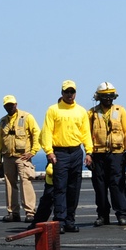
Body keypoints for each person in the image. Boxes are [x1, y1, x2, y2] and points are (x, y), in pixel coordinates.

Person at [39, 80, 94, 233]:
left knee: (73, 188)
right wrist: (49, 152)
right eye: (67, 92)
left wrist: (88, 151)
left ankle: (70, 220)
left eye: (72, 92)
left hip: (76, 152)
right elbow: (47, 132)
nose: (70, 95)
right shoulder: (53, 110)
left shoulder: (81, 111)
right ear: (62, 93)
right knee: (60, 188)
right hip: (59, 153)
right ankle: (60, 221)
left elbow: (85, 133)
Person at [88, 82, 126, 226]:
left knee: (117, 184)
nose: (108, 99)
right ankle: (102, 215)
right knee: (99, 186)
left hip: (116, 154)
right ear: (99, 97)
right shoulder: (92, 113)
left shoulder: (120, 111)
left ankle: (122, 214)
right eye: (105, 96)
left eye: (110, 96)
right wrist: (89, 153)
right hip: (98, 154)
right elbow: (87, 133)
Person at [0, 95, 41, 223]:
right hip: (8, 157)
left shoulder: (27, 117)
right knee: (9, 184)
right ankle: (12, 212)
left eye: (12, 104)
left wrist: (33, 152)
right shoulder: (3, 121)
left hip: (23, 158)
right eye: (7, 105)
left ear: (16, 104)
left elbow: (37, 133)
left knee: (25, 183)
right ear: (4, 106)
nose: (10, 107)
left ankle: (30, 212)